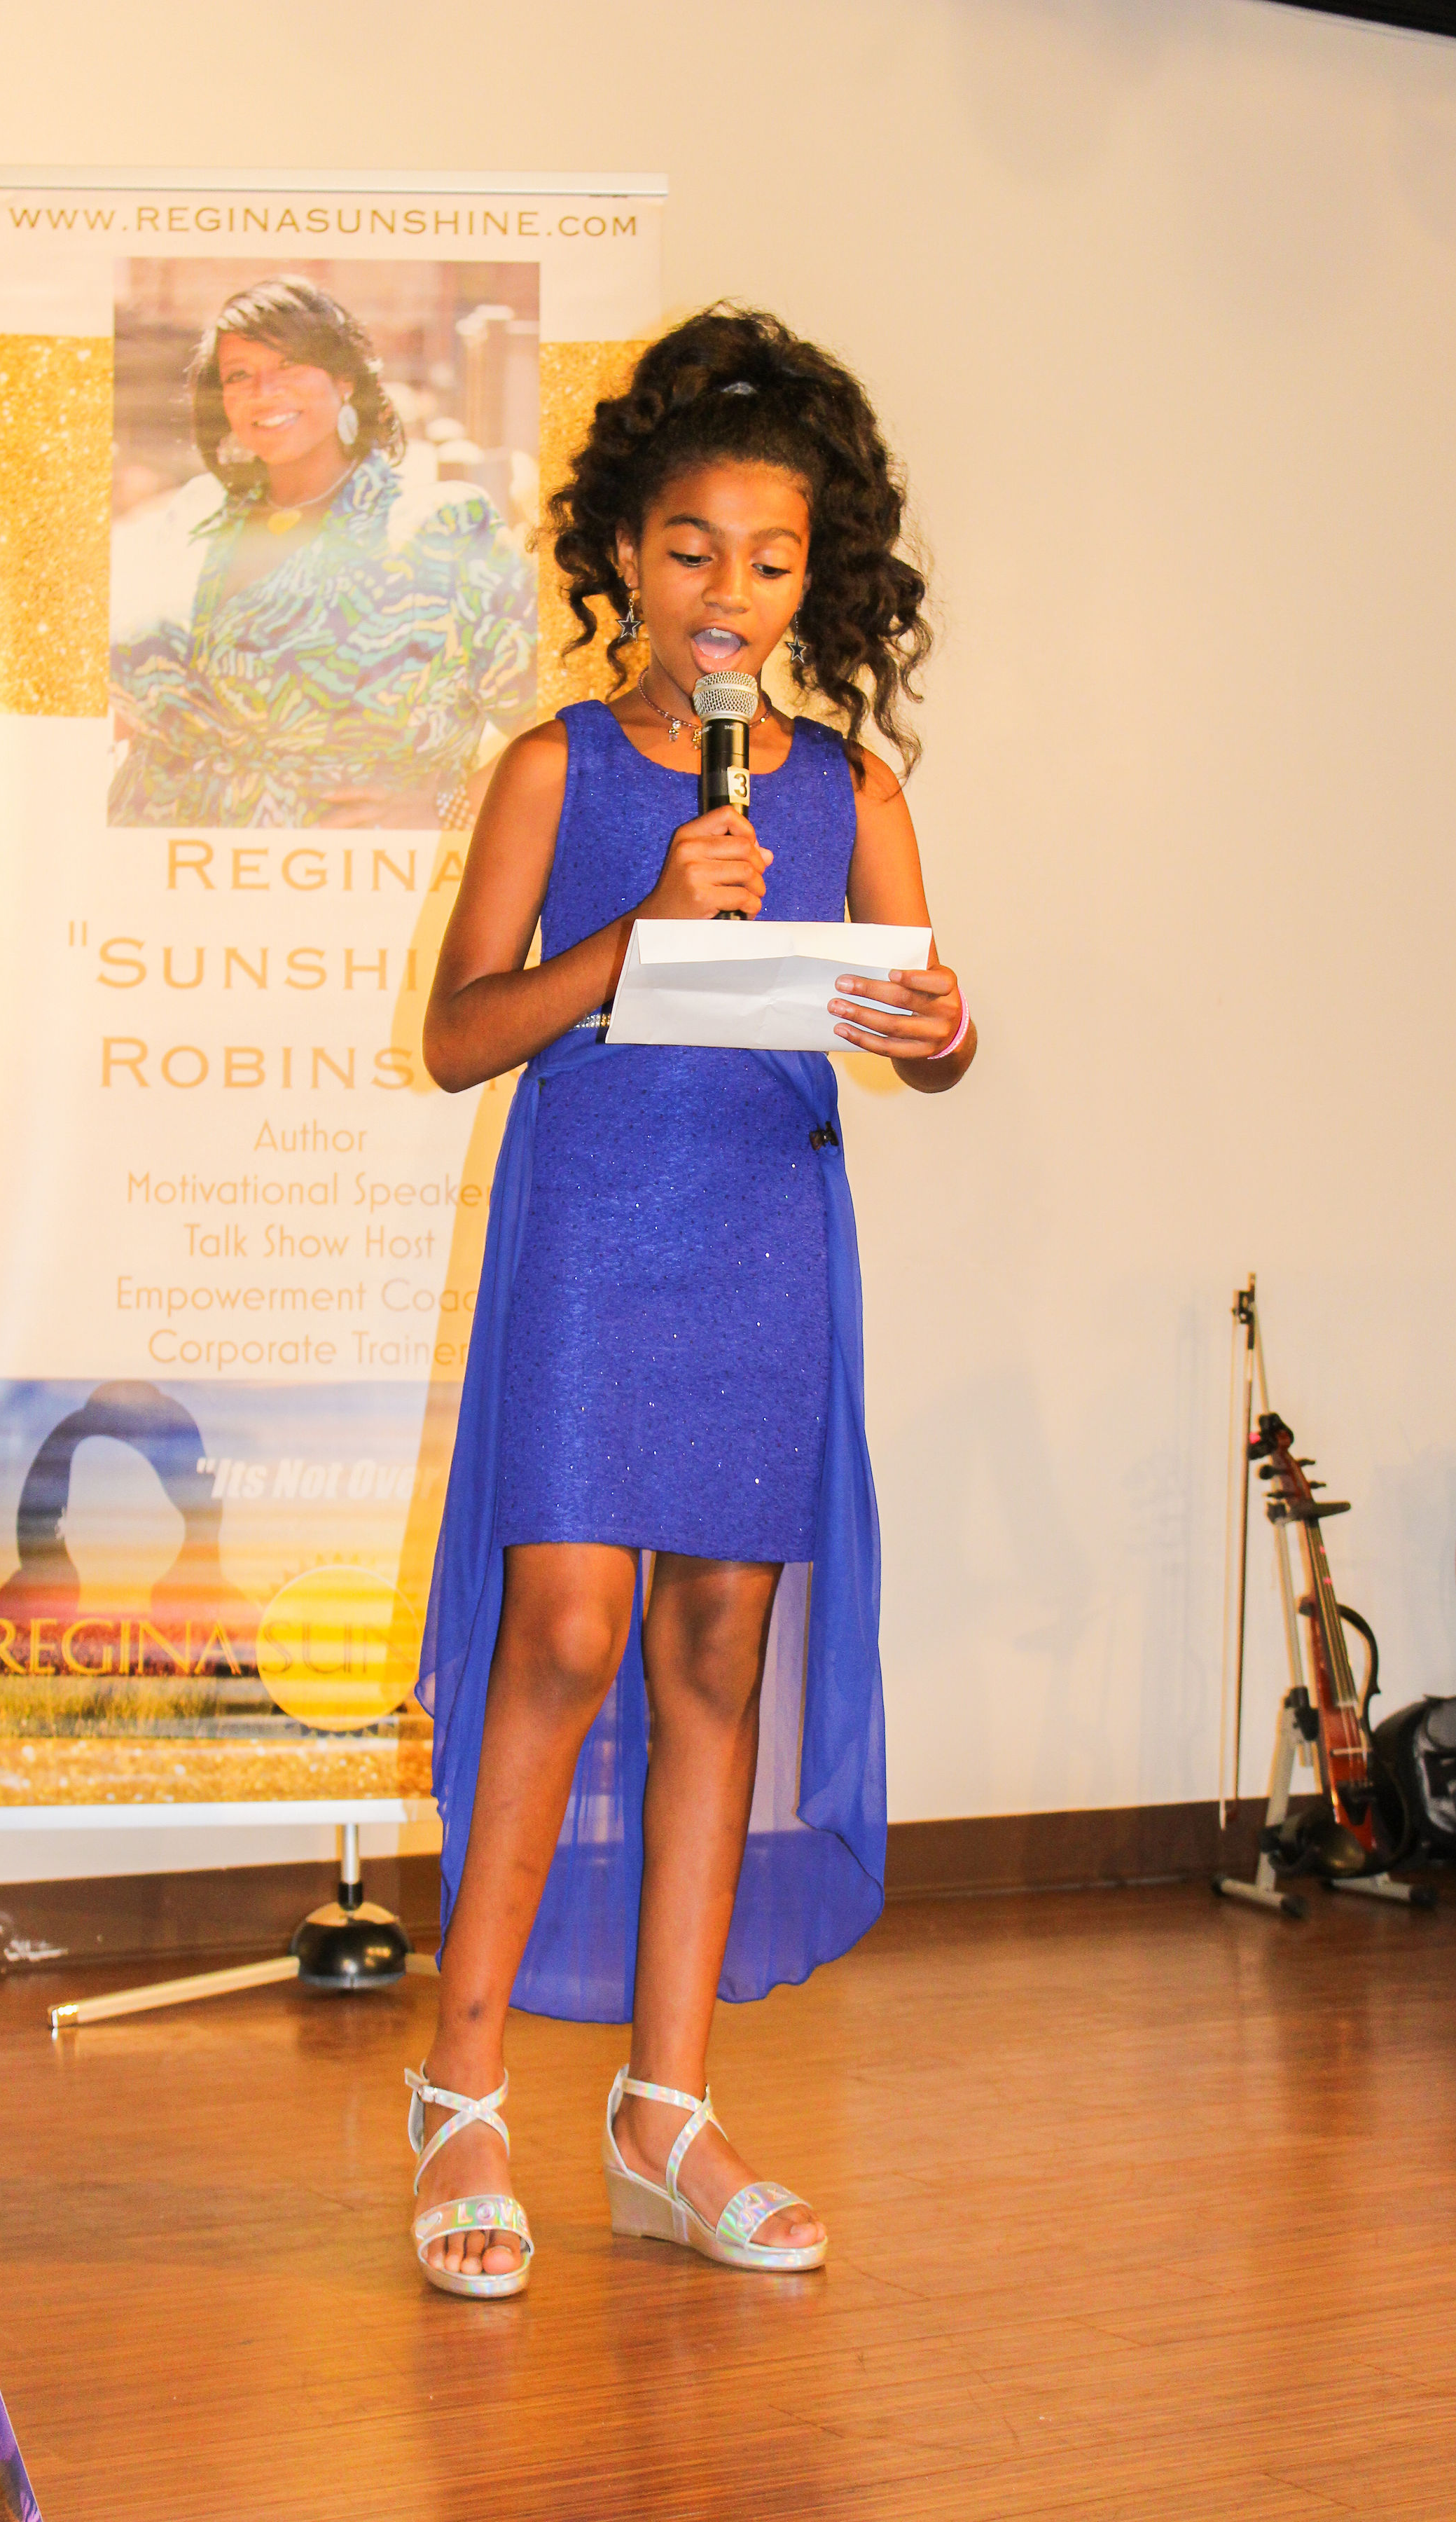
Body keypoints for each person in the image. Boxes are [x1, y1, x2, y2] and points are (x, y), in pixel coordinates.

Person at [408, 305, 973, 2299]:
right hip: (595, 1221)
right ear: (623, 559)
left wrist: (941, 1030)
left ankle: (665, 2112)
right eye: (689, 552)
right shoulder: (553, 769)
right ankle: (463, 2089)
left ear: (818, 578)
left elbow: (919, 1034)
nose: (729, 597)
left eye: (771, 561)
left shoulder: (852, 789)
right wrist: (636, 933)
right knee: (566, 1630)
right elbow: (459, 1039)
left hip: (758, 1224)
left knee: (717, 1647)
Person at [109, 275, 536, 828]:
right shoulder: (193, 511)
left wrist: (449, 809)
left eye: (289, 365)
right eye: (239, 375)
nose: (264, 390)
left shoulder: (442, 529)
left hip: (336, 871)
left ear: (345, 380)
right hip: (153, 860)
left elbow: (559, 719)